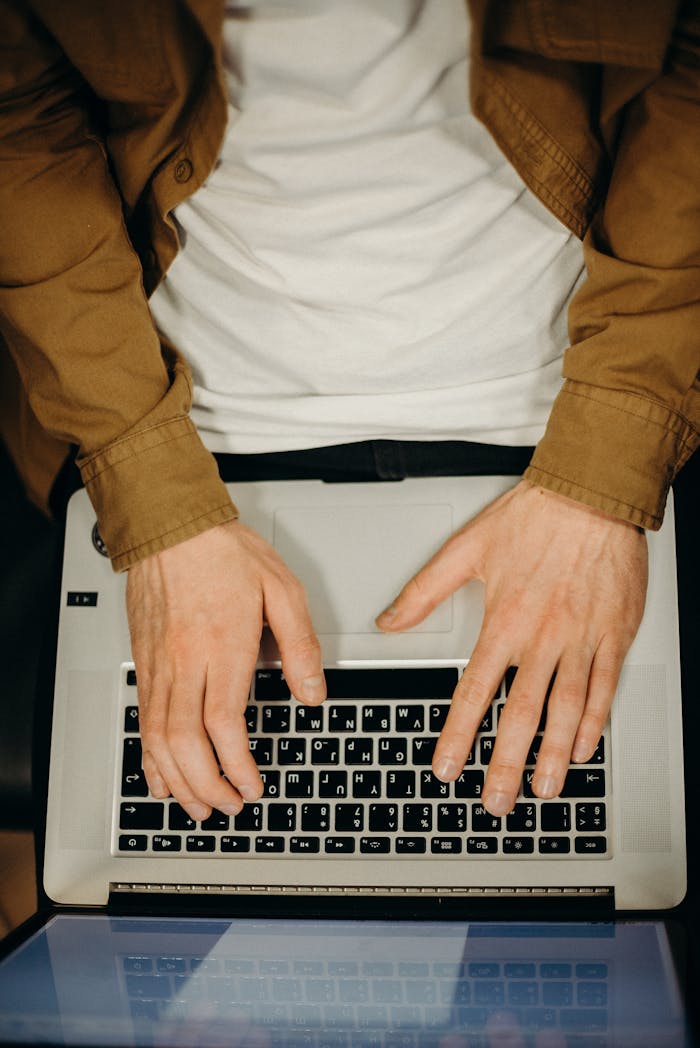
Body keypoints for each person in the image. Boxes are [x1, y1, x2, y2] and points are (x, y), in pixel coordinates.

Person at [0, 1, 697, 825]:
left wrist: (602, 472)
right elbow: (19, 123)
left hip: (572, 423)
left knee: (621, 839)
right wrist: (155, 506)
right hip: (169, 426)